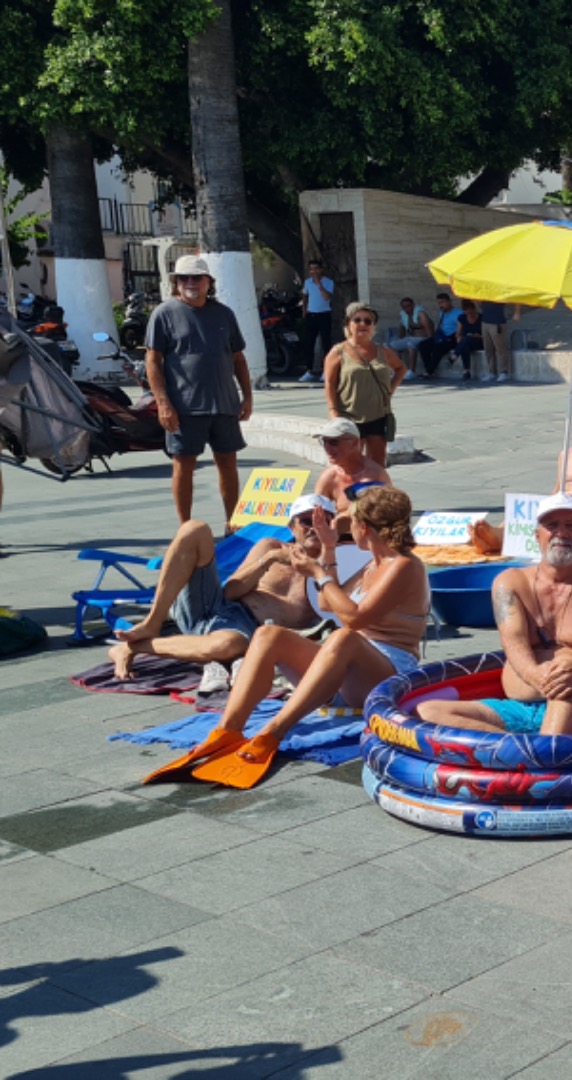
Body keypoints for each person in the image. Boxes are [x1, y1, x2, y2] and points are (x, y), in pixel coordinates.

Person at [150, 486, 432, 788]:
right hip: (347, 670)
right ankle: (227, 730)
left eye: (350, 523)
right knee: (268, 635)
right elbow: (326, 603)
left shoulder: (403, 566)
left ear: (365, 527)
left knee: (342, 638)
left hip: (388, 674)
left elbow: (354, 618)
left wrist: (317, 573)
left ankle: (272, 732)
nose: (345, 529)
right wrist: (329, 549)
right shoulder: (371, 564)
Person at [415, 494, 572, 736]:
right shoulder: (511, 582)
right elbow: (514, 643)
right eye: (552, 526)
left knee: (567, 676)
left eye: (571, 526)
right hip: (523, 705)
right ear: (538, 535)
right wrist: (538, 677)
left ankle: (545, 755)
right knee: (427, 712)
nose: (561, 533)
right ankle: (521, 752)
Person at [106, 495, 334, 681]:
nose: (315, 527)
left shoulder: (335, 564)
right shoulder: (270, 546)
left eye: (323, 520)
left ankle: (134, 647)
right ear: (292, 527)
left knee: (229, 644)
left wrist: (319, 567)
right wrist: (270, 559)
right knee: (194, 528)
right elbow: (231, 591)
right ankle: (152, 623)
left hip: (244, 629)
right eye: (307, 521)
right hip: (218, 604)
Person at [144, 254, 254, 526]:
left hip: (224, 403)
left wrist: (247, 396)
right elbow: (153, 361)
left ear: (209, 282)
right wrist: (163, 403)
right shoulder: (163, 314)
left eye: (197, 277)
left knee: (228, 463)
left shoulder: (224, 314)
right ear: (175, 282)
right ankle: (186, 528)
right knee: (184, 465)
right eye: (184, 278)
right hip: (184, 407)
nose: (190, 282)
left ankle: (232, 524)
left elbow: (238, 358)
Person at [323, 302, 407, 467]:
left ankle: (374, 493)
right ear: (348, 324)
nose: (363, 324)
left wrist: (389, 390)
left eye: (368, 321)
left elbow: (401, 368)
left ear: (373, 326)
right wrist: (333, 411)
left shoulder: (382, 351)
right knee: (348, 465)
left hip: (378, 416)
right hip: (349, 417)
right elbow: (330, 383)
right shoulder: (338, 352)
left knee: (377, 465)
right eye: (357, 320)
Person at [313, 417, 392, 518]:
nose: (327, 448)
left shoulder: (375, 475)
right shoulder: (329, 477)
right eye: (324, 442)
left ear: (354, 443)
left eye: (334, 442)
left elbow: (389, 514)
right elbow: (316, 514)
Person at [296, 258, 336, 383]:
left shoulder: (328, 282)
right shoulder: (307, 282)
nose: (314, 271)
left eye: (316, 269)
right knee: (309, 343)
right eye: (311, 269)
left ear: (321, 269)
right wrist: (304, 310)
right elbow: (305, 295)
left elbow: (326, 297)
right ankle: (309, 370)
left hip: (324, 314)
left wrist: (319, 284)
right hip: (311, 315)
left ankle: (326, 371)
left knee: (326, 343)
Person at [418, 293, 460, 378]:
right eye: (439, 303)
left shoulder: (458, 313)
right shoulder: (442, 313)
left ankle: (429, 371)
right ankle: (429, 369)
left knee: (439, 348)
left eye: (443, 302)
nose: (441, 305)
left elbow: (462, 328)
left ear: (449, 302)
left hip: (453, 337)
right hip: (442, 336)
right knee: (423, 345)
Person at [479, 301, 516, 382]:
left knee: (500, 348)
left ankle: (503, 372)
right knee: (488, 348)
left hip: (497, 322)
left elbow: (515, 298)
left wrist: (517, 312)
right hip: (485, 321)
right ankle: (492, 372)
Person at [391, 297, 430, 374]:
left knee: (411, 345)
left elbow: (429, 328)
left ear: (413, 305)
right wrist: (401, 340)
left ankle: (412, 371)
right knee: (393, 345)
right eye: (404, 307)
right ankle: (399, 370)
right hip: (411, 337)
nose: (407, 309)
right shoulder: (404, 316)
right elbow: (402, 329)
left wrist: (430, 340)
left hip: (423, 338)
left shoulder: (421, 314)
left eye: (408, 306)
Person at [452, 300, 485, 381]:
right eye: (467, 313)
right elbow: (458, 333)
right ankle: (467, 371)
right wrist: (458, 337)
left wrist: (477, 336)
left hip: (479, 341)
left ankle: (455, 355)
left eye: (471, 312)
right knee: (465, 346)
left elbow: (486, 335)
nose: (470, 314)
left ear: (474, 309)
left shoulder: (481, 318)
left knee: (466, 340)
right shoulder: (462, 318)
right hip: (466, 342)